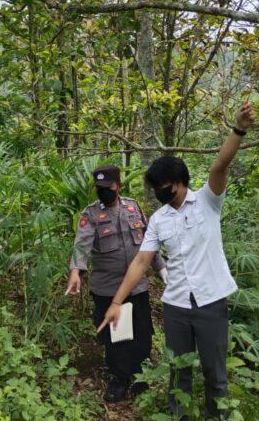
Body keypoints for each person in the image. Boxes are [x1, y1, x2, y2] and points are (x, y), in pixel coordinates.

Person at [98, 101, 256, 420]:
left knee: (215, 376)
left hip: (211, 303)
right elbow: (142, 262)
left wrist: (238, 129)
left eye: (164, 187)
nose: (160, 192)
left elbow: (219, 167)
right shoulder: (158, 219)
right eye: (156, 188)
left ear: (180, 181)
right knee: (177, 374)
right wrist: (116, 302)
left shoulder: (207, 203)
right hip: (176, 307)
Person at [66, 164, 168, 402]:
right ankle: (119, 379)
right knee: (117, 337)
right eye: (99, 189)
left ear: (119, 186)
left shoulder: (133, 207)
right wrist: (75, 272)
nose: (104, 192)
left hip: (138, 286)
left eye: (108, 188)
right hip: (108, 288)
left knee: (142, 334)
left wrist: (161, 267)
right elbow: (81, 245)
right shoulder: (90, 214)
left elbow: (148, 242)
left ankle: (141, 375)